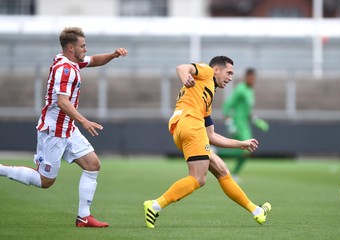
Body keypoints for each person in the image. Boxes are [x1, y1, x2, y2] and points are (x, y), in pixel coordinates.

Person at [0, 27, 128, 227]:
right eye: (82, 46)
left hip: (67, 127)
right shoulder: (65, 69)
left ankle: (84, 217)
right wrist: (84, 121)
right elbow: (62, 102)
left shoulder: (71, 61)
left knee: (93, 165)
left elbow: (94, 60)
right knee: (45, 181)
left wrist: (113, 55)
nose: (85, 49)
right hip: (54, 130)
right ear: (71, 48)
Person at [143, 56, 271, 229]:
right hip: (191, 124)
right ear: (217, 70)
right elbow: (181, 67)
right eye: (229, 72)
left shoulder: (206, 96)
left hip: (182, 128)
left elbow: (211, 136)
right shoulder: (207, 71)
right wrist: (185, 77)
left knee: (222, 170)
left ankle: (256, 211)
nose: (231, 78)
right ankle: (155, 206)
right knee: (198, 179)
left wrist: (240, 143)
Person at [221, 68, 269, 180]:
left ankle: (233, 174)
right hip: (238, 125)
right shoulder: (240, 89)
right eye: (250, 78)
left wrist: (257, 121)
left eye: (253, 78)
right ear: (246, 77)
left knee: (245, 150)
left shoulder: (250, 91)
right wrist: (230, 124)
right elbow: (227, 106)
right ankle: (216, 152)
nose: (252, 80)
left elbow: (247, 112)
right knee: (246, 149)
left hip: (245, 126)